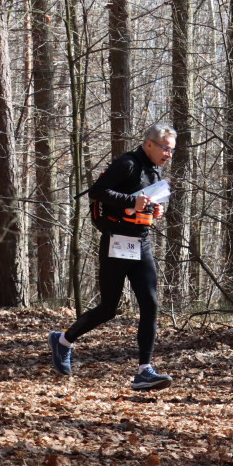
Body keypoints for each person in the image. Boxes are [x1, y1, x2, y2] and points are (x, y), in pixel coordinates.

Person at [48, 123, 177, 391]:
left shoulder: (154, 170)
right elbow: (97, 192)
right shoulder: (127, 163)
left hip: (141, 242)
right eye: (166, 148)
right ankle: (63, 341)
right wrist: (132, 202)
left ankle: (144, 371)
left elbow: (145, 201)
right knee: (108, 308)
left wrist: (155, 211)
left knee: (150, 305)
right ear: (149, 144)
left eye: (172, 150)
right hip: (116, 242)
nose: (169, 154)